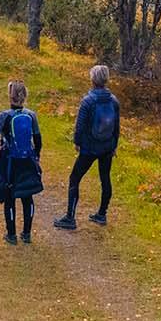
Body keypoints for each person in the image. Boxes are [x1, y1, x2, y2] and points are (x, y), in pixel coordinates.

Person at [54, 64, 120, 230]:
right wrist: (114, 146)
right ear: (106, 79)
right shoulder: (114, 101)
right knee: (105, 178)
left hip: (90, 148)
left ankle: (70, 217)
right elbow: (117, 127)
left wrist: (77, 142)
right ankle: (102, 214)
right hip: (107, 147)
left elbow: (80, 125)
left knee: (75, 178)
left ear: (92, 80)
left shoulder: (88, 101)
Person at [0, 80, 43, 244]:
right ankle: (26, 234)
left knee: (9, 197)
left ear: (10, 96)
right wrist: (36, 155)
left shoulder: (3, 116)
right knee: (28, 197)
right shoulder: (31, 115)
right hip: (27, 160)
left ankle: (11, 235)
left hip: (9, 161)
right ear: (25, 95)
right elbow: (38, 140)